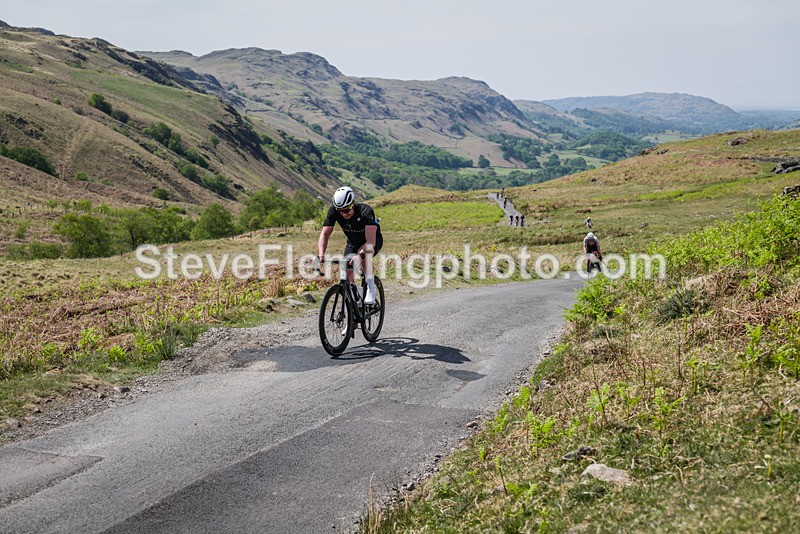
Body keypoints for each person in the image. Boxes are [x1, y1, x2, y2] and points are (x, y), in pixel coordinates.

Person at [318, 186, 383, 303]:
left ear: (352, 203)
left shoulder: (365, 211)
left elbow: (370, 242)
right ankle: (356, 297)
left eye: (346, 210)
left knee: (364, 258)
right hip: (353, 242)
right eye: (340, 211)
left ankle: (371, 287)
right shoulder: (334, 211)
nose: (344, 214)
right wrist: (321, 255)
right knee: (347, 269)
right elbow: (324, 234)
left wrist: (360, 255)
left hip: (371, 241)